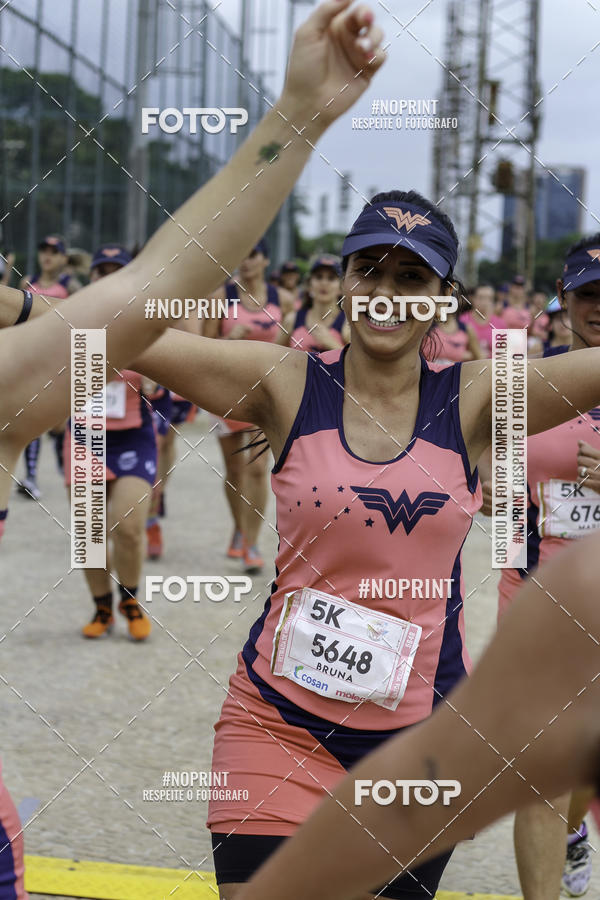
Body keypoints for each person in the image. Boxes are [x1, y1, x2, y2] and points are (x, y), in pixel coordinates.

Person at [0, 5, 388, 895]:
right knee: (98, 521)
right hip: (92, 423)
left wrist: (297, 115)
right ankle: (110, 594)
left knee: (131, 516)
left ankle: (131, 590)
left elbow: (155, 287)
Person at [131, 173, 600, 899]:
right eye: (369, 269)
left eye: (412, 277)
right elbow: (113, 335)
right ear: (344, 282)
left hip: (418, 753)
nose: (387, 289)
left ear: (443, 300)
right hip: (276, 729)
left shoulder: (477, 396)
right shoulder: (286, 383)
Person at [233, 529, 600, 900]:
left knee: (564, 780)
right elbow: (508, 488)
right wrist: (516, 562)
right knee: (547, 783)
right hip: (543, 586)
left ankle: (572, 830)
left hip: (568, 589)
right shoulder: (577, 579)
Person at [478, 235, 600, 899]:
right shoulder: (524, 383)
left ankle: (577, 833)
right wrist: (486, 490)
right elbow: (479, 467)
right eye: (589, 294)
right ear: (565, 300)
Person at [64, 244, 158, 640]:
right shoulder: (69, 320)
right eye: (99, 271)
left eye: (114, 271)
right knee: (89, 531)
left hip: (133, 436)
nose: (106, 278)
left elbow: (171, 367)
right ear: (92, 278)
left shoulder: (144, 323)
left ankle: (130, 600)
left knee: (130, 527)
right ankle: (102, 609)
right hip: (86, 434)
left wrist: (157, 379)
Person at [202, 240, 295, 573]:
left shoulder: (282, 300)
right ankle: (240, 528)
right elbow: (203, 349)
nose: (245, 261)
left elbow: (294, 348)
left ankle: (252, 542)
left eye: (253, 255)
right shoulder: (219, 298)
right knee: (234, 471)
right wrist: (229, 340)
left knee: (256, 468)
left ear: (266, 260)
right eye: (241, 254)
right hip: (225, 394)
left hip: (265, 397)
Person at [17, 236, 82, 500]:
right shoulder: (26, 283)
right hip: (32, 361)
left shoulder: (72, 286)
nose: (48, 255)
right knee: (32, 420)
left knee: (58, 425)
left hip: (61, 362)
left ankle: (64, 465)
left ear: (63, 258)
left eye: (54, 252)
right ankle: (31, 478)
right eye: (44, 249)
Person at [277, 254, 349, 351]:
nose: (324, 283)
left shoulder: (348, 324)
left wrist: (332, 344)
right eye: (319, 277)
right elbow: (273, 357)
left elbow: (357, 364)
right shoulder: (292, 320)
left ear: (341, 288)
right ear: (309, 285)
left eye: (331, 278)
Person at [460, 283, 506, 356]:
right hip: (469, 365)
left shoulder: (500, 323)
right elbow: (458, 351)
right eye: (481, 297)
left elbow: (504, 353)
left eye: (489, 298)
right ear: (473, 299)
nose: (484, 302)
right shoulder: (463, 321)